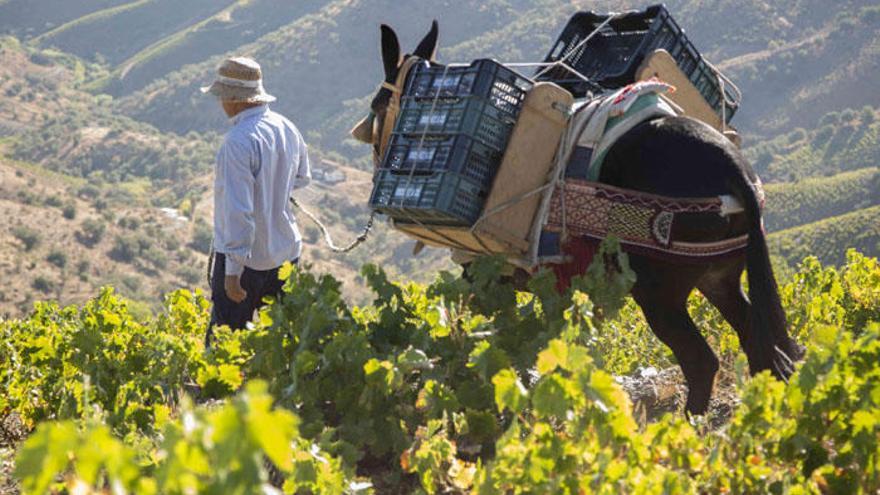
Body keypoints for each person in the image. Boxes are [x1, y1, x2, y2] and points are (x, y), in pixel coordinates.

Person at [200, 56, 311, 344]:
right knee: (281, 342)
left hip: (248, 262)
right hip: (286, 252)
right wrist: (274, 190)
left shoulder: (237, 142)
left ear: (234, 98)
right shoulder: (287, 127)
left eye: (222, 96)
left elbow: (238, 212)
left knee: (226, 347)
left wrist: (233, 273)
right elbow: (302, 178)